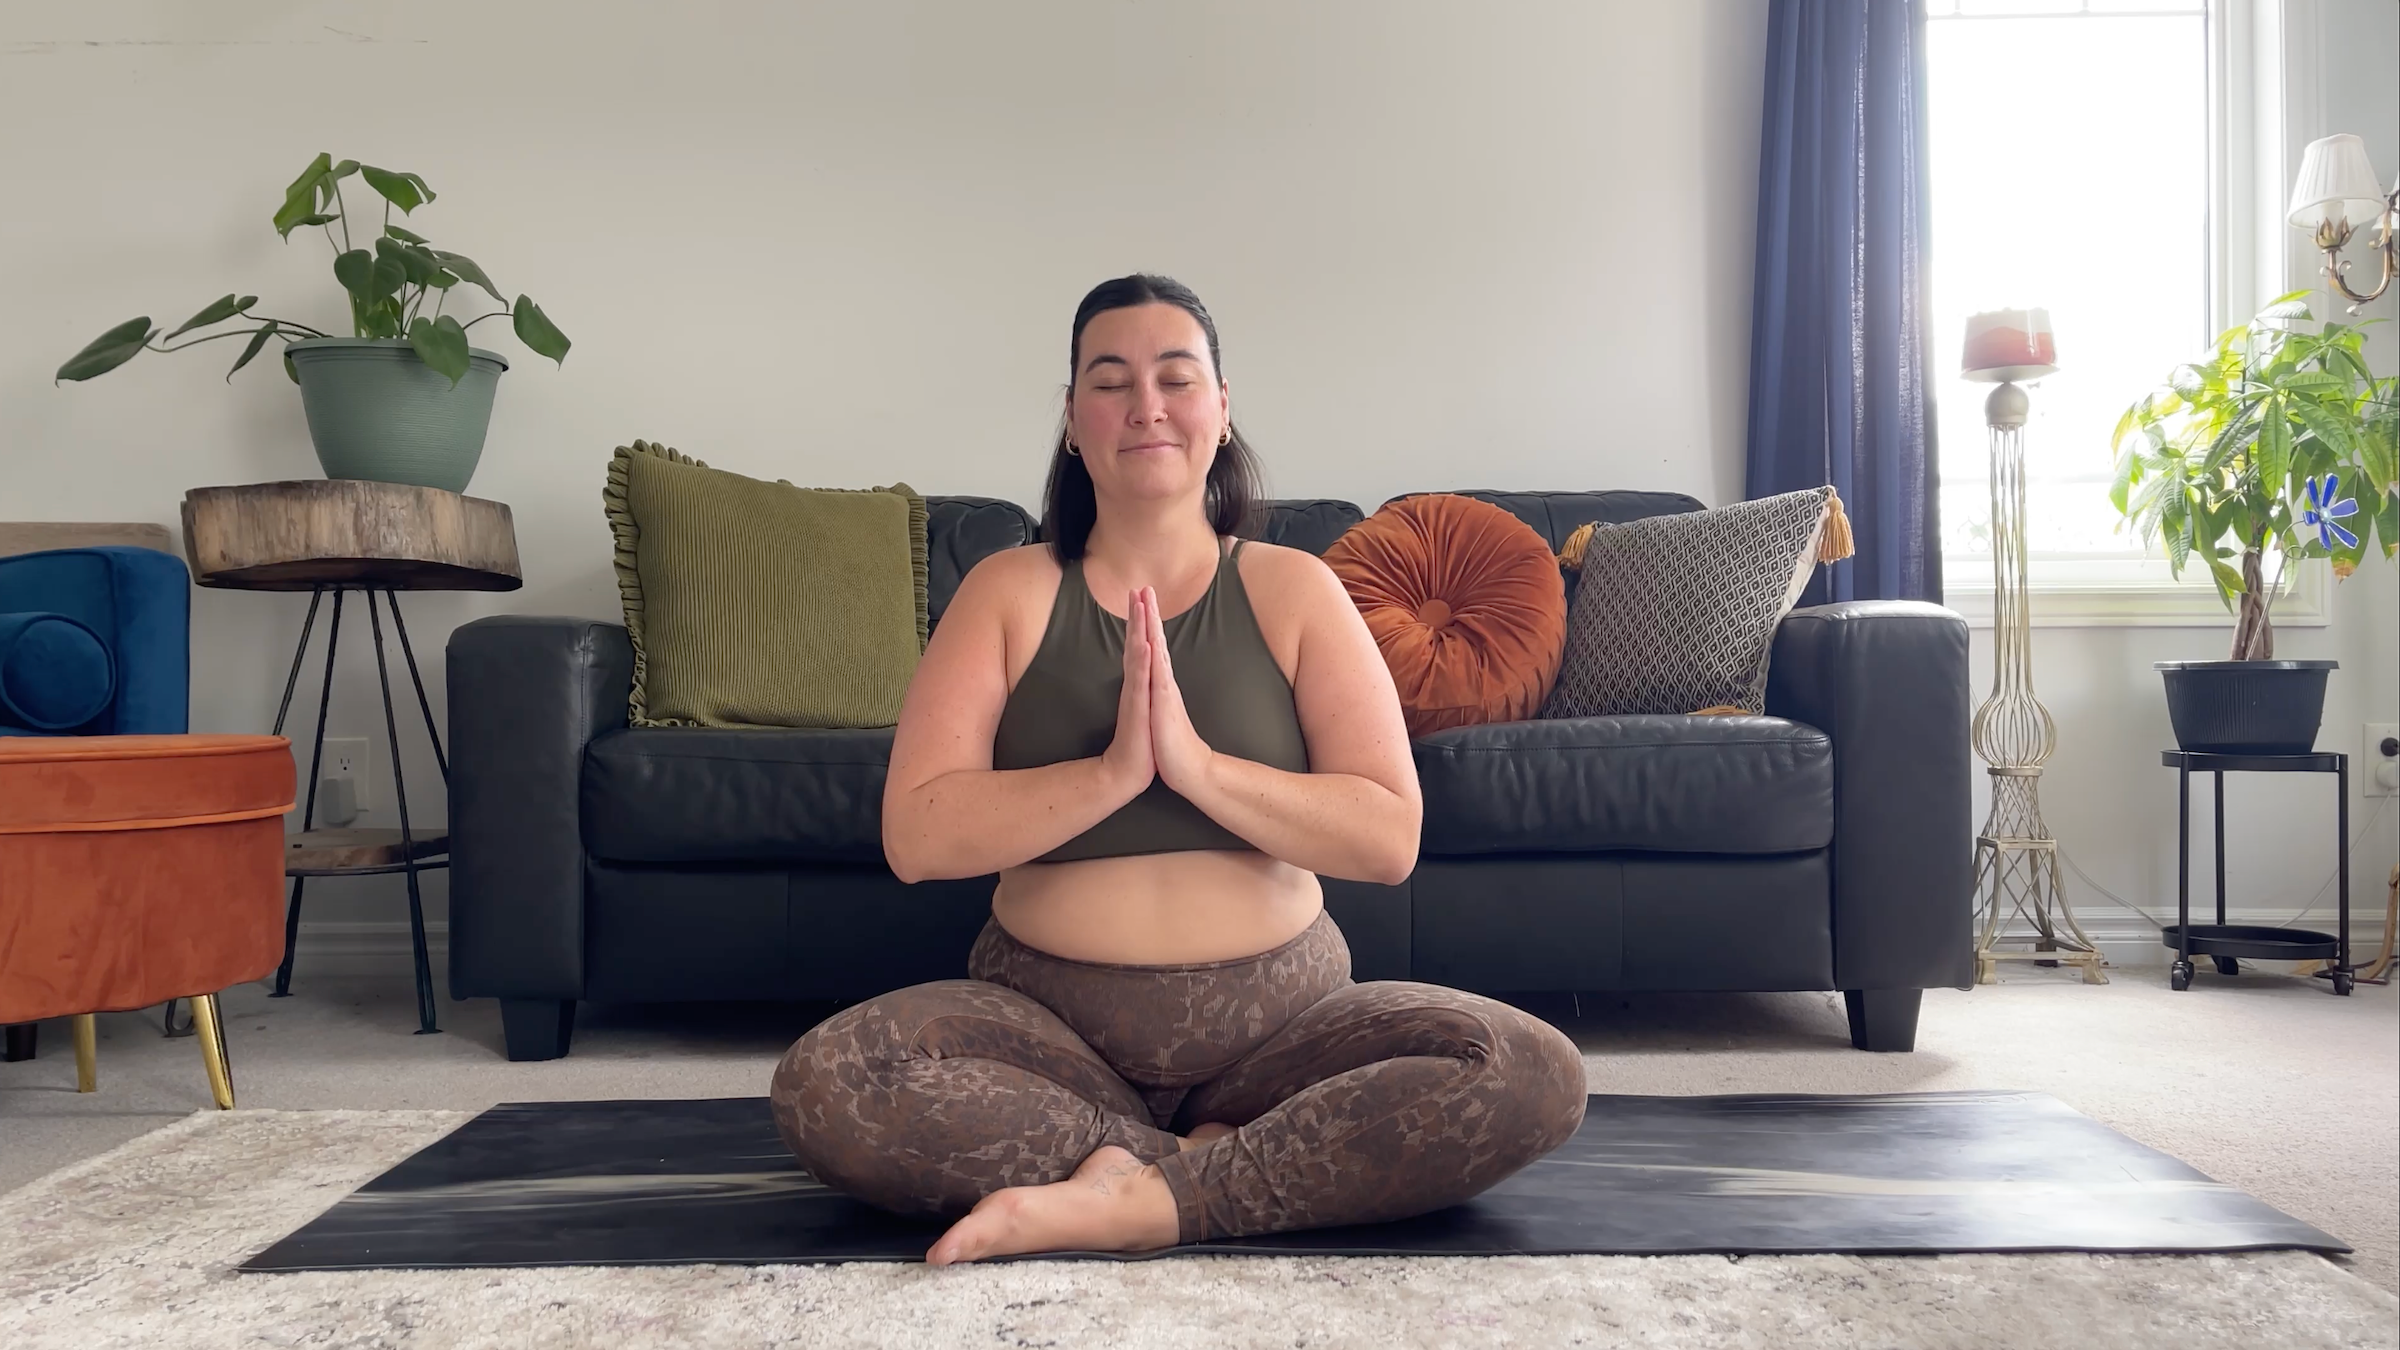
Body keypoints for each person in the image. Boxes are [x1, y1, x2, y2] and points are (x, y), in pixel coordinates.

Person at [769, 273, 1588, 1265]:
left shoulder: (1297, 588)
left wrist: (1194, 767)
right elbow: (919, 835)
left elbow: (1387, 836)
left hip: (1287, 1032)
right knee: (829, 1082)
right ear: (1073, 420)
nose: (1145, 406)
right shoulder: (1008, 591)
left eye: (1176, 377)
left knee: (1529, 1072)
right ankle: (1204, 1166)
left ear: (1221, 406)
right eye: (1110, 382)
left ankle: (1126, 1197)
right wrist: (1114, 773)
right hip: (1048, 1035)